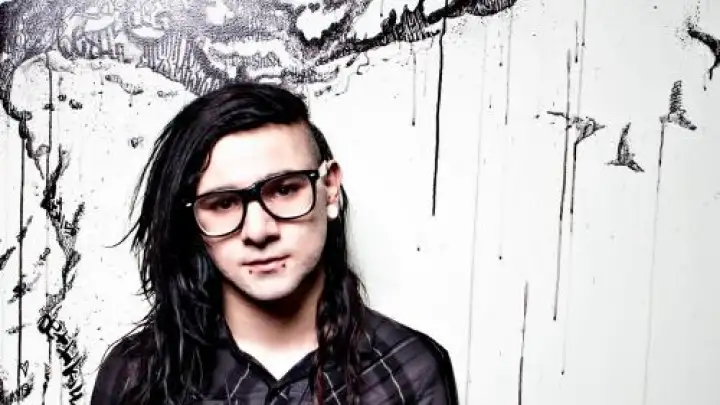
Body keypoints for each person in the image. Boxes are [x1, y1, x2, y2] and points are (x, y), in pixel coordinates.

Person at [90, 82, 459, 405]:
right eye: (223, 203)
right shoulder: (134, 374)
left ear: (330, 189)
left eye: (284, 190)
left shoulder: (408, 369)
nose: (258, 231)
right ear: (193, 220)